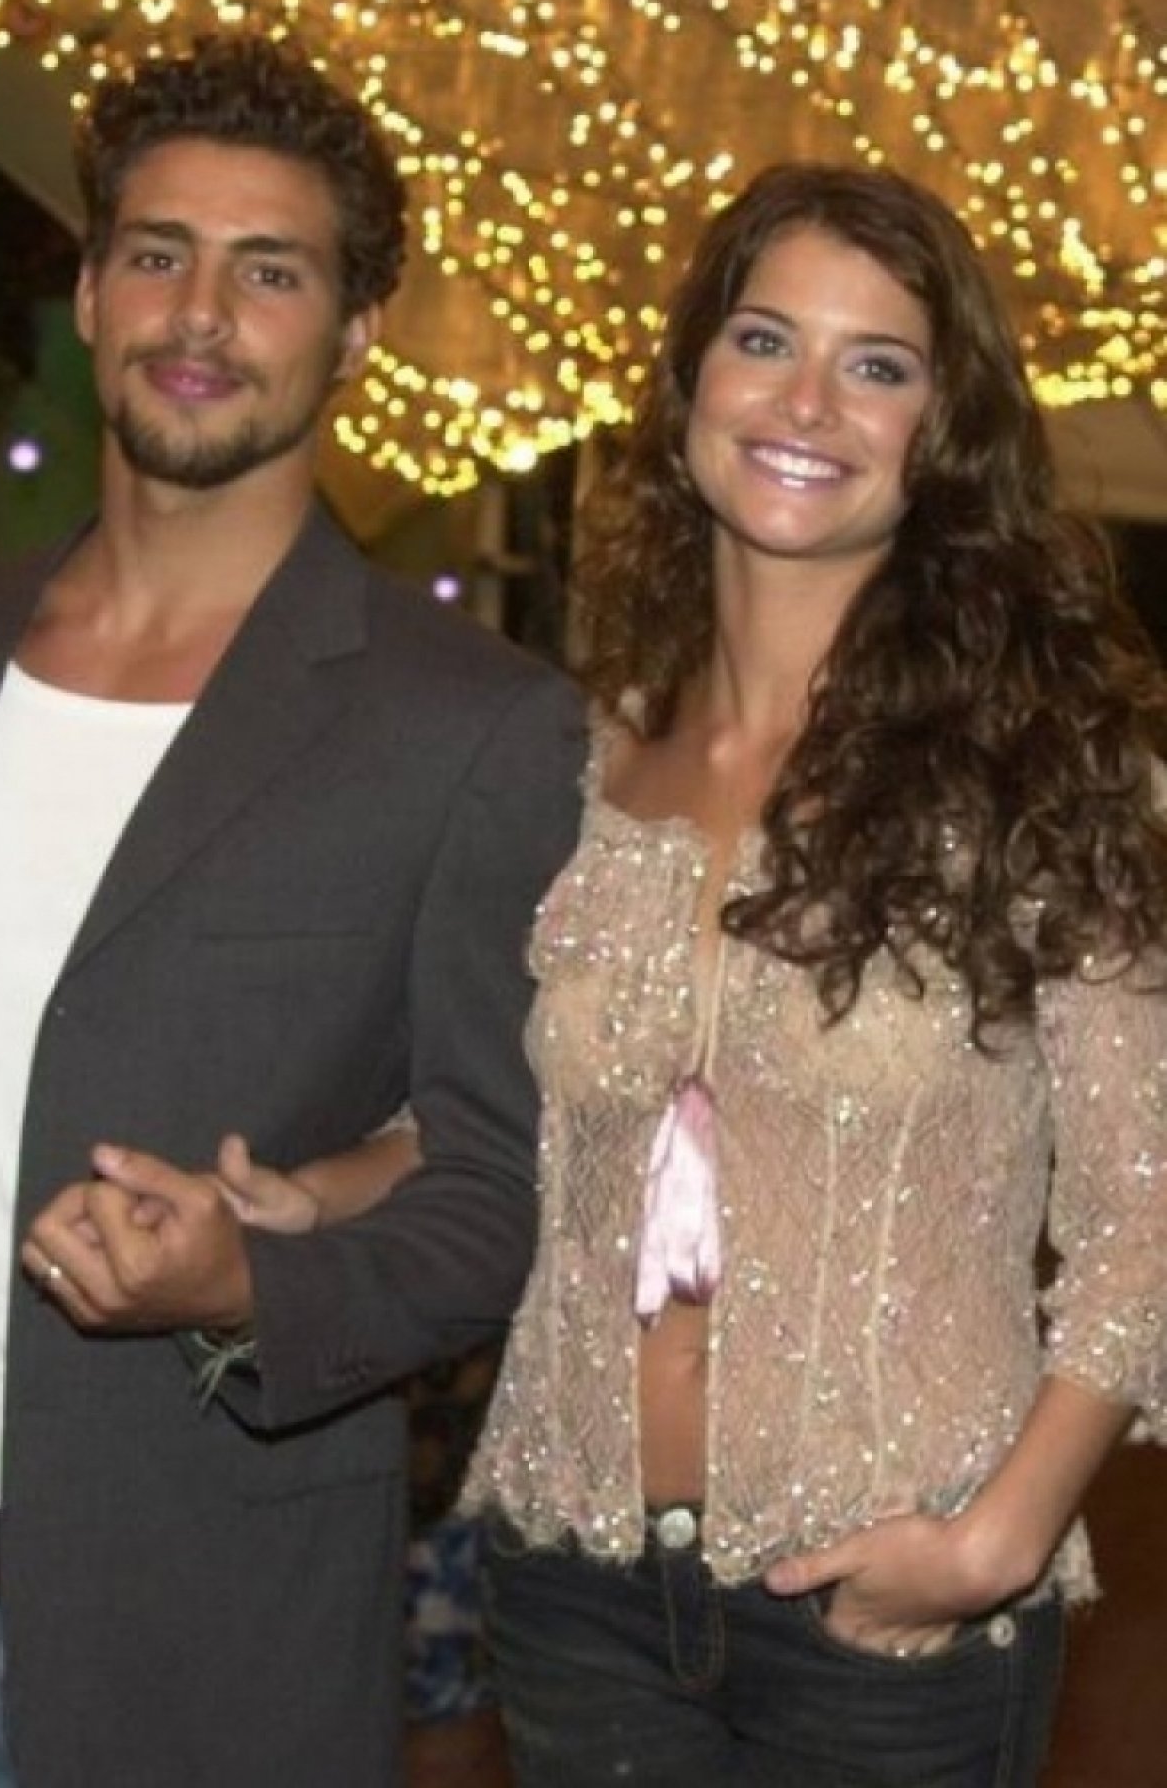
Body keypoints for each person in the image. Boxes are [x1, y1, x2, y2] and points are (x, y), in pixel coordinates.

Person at [235, 160, 1167, 1785]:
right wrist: (317, 1195)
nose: (808, 401)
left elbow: (1144, 1204)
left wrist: (1004, 1534)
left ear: (941, 433)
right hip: (576, 1589)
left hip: (897, 1598)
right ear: (688, 391)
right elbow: (522, 1122)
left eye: (877, 365)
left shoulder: (1051, 775)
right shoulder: (575, 770)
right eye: (765, 340)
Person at [0, 32, 584, 1788]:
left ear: (354, 334)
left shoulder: (468, 728)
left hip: (189, 1632)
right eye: (160, 252)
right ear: (90, 287)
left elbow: (501, 1189)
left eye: (269, 272)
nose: (199, 314)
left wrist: (244, 1285)